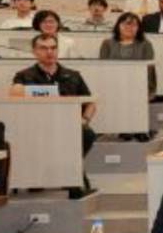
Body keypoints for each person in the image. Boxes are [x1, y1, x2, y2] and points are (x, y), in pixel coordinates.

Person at [10, 34, 97, 174]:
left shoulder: (73, 75)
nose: (49, 52)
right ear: (34, 51)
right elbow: (15, 91)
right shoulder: (25, 75)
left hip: (68, 124)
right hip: (36, 124)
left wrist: (84, 119)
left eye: (53, 48)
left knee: (87, 134)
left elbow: (90, 102)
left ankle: (70, 169)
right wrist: (49, 92)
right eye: (43, 48)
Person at [99, 12, 156, 101]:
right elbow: (102, 67)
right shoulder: (107, 43)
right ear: (118, 25)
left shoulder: (146, 44)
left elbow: (149, 69)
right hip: (112, 85)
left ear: (139, 28)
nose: (130, 28)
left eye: (134, 25)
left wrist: (147, 90)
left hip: (138, 86)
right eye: (127, 24)